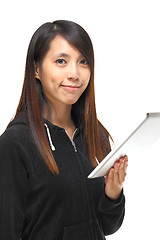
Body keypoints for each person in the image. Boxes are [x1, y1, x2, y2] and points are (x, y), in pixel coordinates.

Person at [0, 20, 128, 240]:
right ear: (36, 69)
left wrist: (112, 194)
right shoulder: (15, 143)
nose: (74, 73)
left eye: (83, 62)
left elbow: (106, 226)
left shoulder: (94, 133)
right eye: (61, 61)